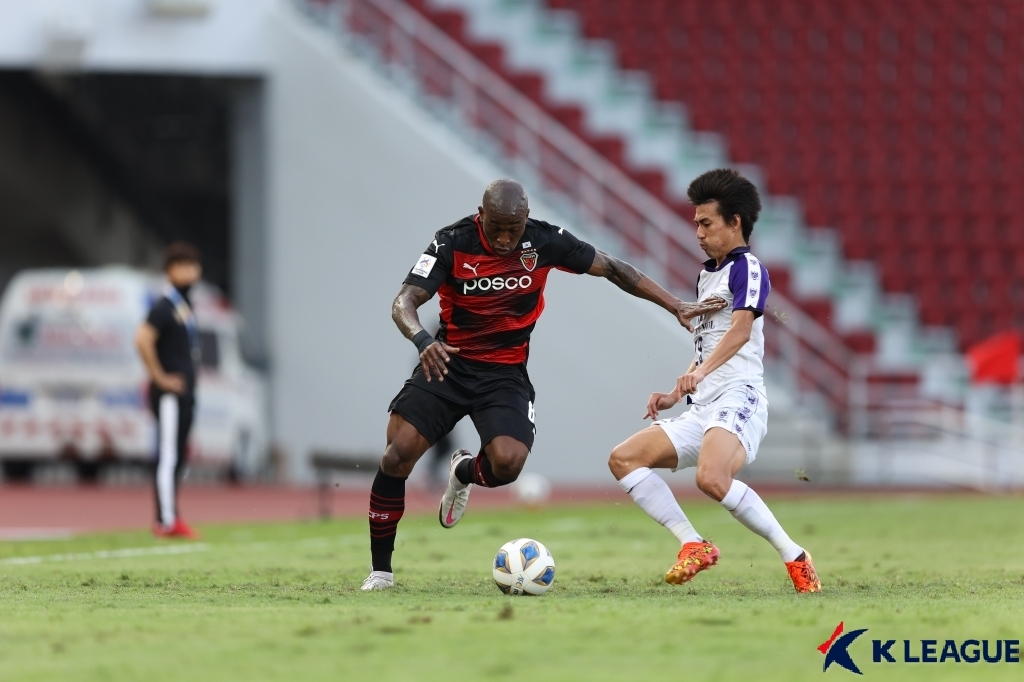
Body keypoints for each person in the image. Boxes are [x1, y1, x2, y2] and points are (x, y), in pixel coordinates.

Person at [361, 179, 726, 590]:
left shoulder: (544, 241)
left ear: (525, 221)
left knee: (508, 465)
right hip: (448, 364)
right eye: (495, 227)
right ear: (481, 216)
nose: (503, 239)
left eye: (512, 230)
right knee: (397, 456)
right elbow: (404, 301)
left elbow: (615, 268)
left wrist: (676, 304)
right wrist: (422, 340)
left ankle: (463, 471)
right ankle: (381, 572)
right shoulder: (452, 243)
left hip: (504, 374)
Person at [607, 169, 821, 593]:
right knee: (623, 459)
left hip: (739, 396)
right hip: (703, 405)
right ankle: (693, 544)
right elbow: (708, 344)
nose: (699, 233)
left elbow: (740, 331)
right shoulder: (708, 275)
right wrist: (675, 390)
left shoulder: (749, 269)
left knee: (711, 479)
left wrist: (701, 374)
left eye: (706, 224)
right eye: (696, 225)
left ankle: (795, 555)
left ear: (734, 222)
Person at [135, 243, 203, 539]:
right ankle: (165, 520)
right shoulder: (164, 306)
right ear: (169, 271)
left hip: (185, 394)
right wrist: (159, 377)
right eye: (181, 265)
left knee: (178, 455)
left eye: (191, 265)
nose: (187, 272)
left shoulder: (184, 306)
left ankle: (171, 514)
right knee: (168, 455)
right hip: (170, 395)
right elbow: (142, 338)